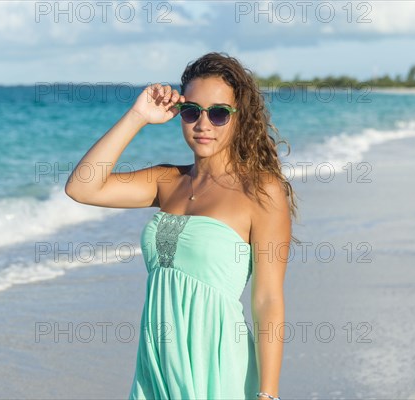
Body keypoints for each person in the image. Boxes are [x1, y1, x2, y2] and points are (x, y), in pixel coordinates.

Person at [65, 52, 298, 400]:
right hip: (157, 366)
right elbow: (82, 187)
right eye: (192, 111)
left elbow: (267, 299)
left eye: (219, 113)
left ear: (239, 118)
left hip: (218, 367)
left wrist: (268, 393)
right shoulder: (167, 180)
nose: (203, 124)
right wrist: (137, 116)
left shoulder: (261, 191)